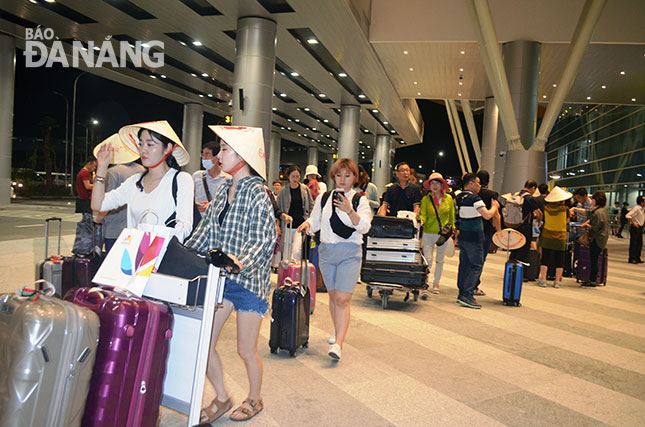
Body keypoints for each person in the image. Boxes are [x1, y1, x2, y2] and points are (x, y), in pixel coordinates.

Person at [185, 125, 276, 423]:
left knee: (245, 349)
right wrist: (181, 251)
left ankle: (255, 398)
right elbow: (206, 230)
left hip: (248, 281)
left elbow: (264, 239)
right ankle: (223, 397)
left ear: (243, 155)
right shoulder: (224, 188)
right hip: (221, 279)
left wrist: (240, 262)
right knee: (205, 343)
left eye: (224, 150)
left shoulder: (258, 192)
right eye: (220, 149)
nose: (218, 155)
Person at [298, 158, 372, 360]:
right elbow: (315, 219)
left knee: (342, 298)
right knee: (332, 296)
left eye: (347, 176)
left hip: (350, 252)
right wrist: (306, 225)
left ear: (354, 178)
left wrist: (349, 210)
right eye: (339, 175)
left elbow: (365, 226)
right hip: (327, 252)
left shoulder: (359, 200)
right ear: (333, 177)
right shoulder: (324, 197)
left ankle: (339, 344)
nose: (342, 179)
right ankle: (337, 328)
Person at [91, 120, 194, 242]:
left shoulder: (181, 179)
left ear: (168, 148)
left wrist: (158, 247)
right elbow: (98, 205)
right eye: (140, 144)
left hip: (165, 254)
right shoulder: (134, 182)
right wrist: (102, 168)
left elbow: (184, 226)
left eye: (150, 144)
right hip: (136, 254)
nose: (143, 150)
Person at [454, 173, 499, 309]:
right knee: (476, 265)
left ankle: (462, 293)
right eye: (478, 183)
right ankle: (468, 294)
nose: (480, 186)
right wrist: (494, 208)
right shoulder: (474, 198)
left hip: (464, 236)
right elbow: (486, 215)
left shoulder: (459, 197)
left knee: (464, 265)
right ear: (471, 184)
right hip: (474, 237)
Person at [418, 173, 455, 297]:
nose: (434, 186)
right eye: (432, 183)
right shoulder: (426, 199)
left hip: (443, 234)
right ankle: (425, 283)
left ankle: (436, 283)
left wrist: (453, 232)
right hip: (428, 232)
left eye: (437, 183)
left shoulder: (449, 199)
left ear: (442, 185)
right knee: (427, 259)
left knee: (440, 260)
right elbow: (423, 214)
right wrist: (421, 221)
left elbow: (452, 217)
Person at [97, 160, 145, 252]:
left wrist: (99, 218)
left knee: (113, 262)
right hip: (135, 228)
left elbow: (106, 202)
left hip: (114, 228)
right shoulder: (141, 170)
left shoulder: (112, 172)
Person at [536, 187, 572, 288]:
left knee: (545, 258)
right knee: (559, 259)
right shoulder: (565, 209)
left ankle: (543, 280)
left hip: (547, 235)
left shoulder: (546, 208)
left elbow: (542, 218)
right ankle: (557, 282)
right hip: (560, 236)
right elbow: (567, 221)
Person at [277, 166, 314, 261]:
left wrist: (310, 221)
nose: (295, 179)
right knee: (286, 253)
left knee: (297, 252)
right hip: (288, 225)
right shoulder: (283, 191)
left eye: (297, 176)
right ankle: (287, 273)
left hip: (300, 225)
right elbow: (278, 209)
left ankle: (296, 273)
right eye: (293, 176)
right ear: (288, 177)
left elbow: (311, 205)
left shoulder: (305, 189)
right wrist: (278, 224)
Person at [474, 170, 501, 295]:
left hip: (471, 228)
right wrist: (499, 232)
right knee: (480, 259)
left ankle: (466, 284)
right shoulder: (491, 195)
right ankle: (474, 285)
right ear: (489, 181)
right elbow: (495, 215)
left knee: (469, 258)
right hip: (485, 231)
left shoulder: (472, 193)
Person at [507, 180, 541, 271]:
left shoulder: (516, 195)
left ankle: (510, 268)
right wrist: (539, 219)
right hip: (525, 227)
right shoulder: (530, 198)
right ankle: (518, 271)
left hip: (515, 225)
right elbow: (539, 213)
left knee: (515, 247)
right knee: (523, 248)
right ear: (533, 188)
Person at [580, 191, 610, 287]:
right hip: (602, 238)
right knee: (595, 259)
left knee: (594, 259)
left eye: (593, 199)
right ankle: (592, 279)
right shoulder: (603, 210)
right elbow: (589, 213)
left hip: (597, 239)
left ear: (597, 200)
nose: (591, 201)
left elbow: (595, 227)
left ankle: (592, 280)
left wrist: (587, 225)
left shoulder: (598, 213)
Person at [194, 141, 229, 217]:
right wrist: (194, 205)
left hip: (216, 221)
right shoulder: (197, 176)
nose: (204, 158)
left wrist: (210, 206)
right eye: (202, 154)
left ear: (217, 157)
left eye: (207, 154)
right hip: (199, 221)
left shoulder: (227, 179)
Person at [72, 156, 97, 254]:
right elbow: (87, 186)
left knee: (87, 222)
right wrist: (98, 185)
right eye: (94, 166)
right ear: (89, 163)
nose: (94, 168)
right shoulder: (85, 173)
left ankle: (85, 244)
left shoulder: (85, 173)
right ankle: (86, 245)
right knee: (87, 223)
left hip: (84, 200)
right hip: (85, 200)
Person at [625, 196, 644, 264]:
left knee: (639, 243)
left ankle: (637, 257)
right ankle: (632, 258)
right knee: (634, 243)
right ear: (641, 202)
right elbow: (628, 215)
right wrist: (633, 223)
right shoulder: (637, 208)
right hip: (635, 227)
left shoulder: (643, 208)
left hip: (640, 227)